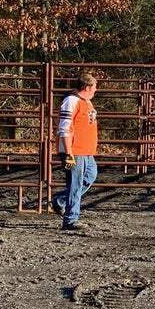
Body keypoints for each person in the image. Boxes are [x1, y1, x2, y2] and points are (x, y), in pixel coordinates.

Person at [52, 72, 99, 231]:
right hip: (76, 150)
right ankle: (71, 218)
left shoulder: (86, 102)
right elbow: (65, 129)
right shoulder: (72, 101)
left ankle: (60, 202)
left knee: (89, 177)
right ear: (87, 87)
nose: (95, 91)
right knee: (75, 183)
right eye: (94, 88)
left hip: (86, 151)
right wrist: (69, 152)